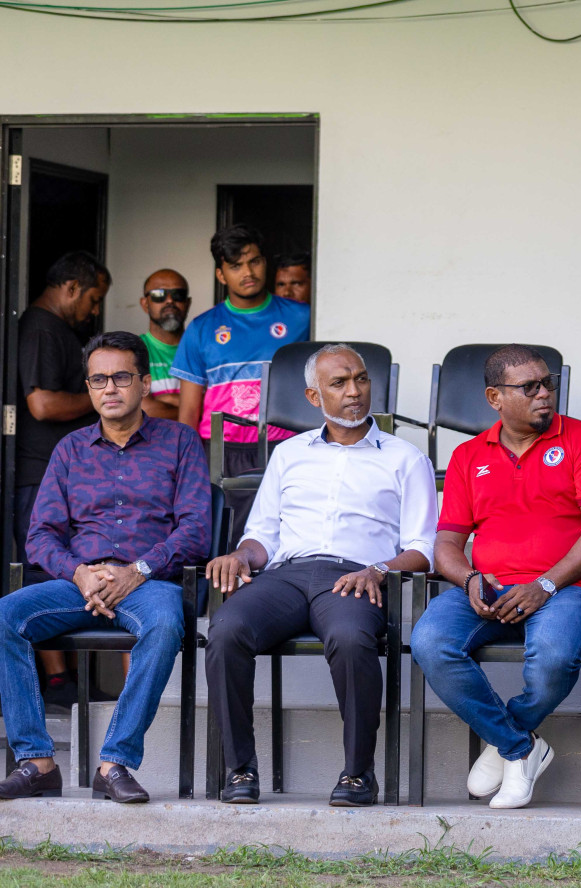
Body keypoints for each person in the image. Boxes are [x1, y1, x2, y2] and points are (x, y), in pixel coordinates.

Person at [203, 344, 435, 807]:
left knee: (351, 639)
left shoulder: (405, 457)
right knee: (227, 629)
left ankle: (357, 774)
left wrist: (380, 569)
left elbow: (423, 549)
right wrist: (240, 557)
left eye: (361, 379)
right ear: (314, 397)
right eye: (340, 383)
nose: (355, 391)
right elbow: (261, 537)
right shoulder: (289, 454)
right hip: (285, 577)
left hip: (357, 577)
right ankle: (240, 769)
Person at [0, 331, 210, 804]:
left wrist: (138, 568)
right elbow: (40, 535)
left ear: (145, 382)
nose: (109, 388)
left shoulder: (180, 442)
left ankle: (115, 763)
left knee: (164, 624)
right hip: (83, 581)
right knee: (3, 616)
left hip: (150, 582)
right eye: (98, 379)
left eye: (120, 377)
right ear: (90, 387)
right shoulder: (70, 449)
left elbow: (195, 529)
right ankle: (37, 762)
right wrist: (80, 572)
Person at [411, 345, 581, 810]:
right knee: (429, 641)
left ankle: (504, 740)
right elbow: (445, 545)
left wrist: (545, 583)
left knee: (552, 660)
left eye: (549, 384)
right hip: (488, 586)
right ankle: (521, 747)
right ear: (495, 397)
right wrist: (469, 579)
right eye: (530, 387)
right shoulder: (469, 456)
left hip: (565, 586)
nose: (545, 394)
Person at [15, 250, 112, 709]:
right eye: (93, 298)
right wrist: (96, 403)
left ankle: (72, 680)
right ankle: (57, 681)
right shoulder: (40, 326)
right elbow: (42, 405)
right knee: (42, 571)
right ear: (71, 288)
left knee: (73, 567)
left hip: (63, 472)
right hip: (36, 472)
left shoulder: (59, 330)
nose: (94, 310)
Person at [170, 225, 309, 531]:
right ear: (221, 275)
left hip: (284, 444)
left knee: (286, 534)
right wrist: (183, 466)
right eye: (235, 266)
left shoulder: (303, 317)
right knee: (225, 538)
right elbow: (189, 410)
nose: (248, 272)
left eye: (254, 261)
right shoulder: (202, 328)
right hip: (221, 449)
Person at [138, 269, 191, 421]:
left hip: (195, 443)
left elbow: (216, 406)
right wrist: (194, 407)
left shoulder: (204, 348)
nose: (169, 301)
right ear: (145, 304)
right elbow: (142, 410)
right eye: (158, 295)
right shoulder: (132, 351)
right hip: (151, 444)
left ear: (187, 303)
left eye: (178, 295)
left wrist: (165, 400)